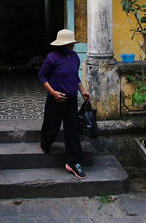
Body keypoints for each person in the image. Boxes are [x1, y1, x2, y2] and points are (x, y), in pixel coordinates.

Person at [38, 29, 91, 179]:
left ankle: (73, 162)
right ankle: (45, 144)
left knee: (72, 130)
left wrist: (82, 91)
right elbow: (42, 76)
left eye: (72, 44)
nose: (72, 46)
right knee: (51, 125)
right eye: (70, 44)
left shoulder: (74, 57)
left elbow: (75, 76)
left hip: (71, 99)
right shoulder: (52, 58)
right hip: (55, 99)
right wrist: (53, 93)